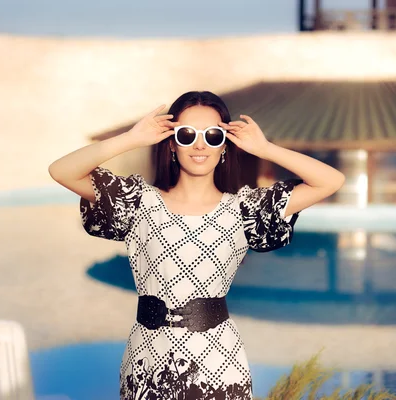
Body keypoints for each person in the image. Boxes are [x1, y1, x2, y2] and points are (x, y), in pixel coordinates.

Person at [48, 91, 345, 399]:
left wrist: (265, 148)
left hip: (219, 364)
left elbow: (330, 181)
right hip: (146, 362)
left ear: (225, 147)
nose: (200, 144)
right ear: (172, 144)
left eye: (213, 135)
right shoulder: (137, 201)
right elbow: (61, 171)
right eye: (187, 134)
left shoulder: (245, 209)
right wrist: (132, 138)